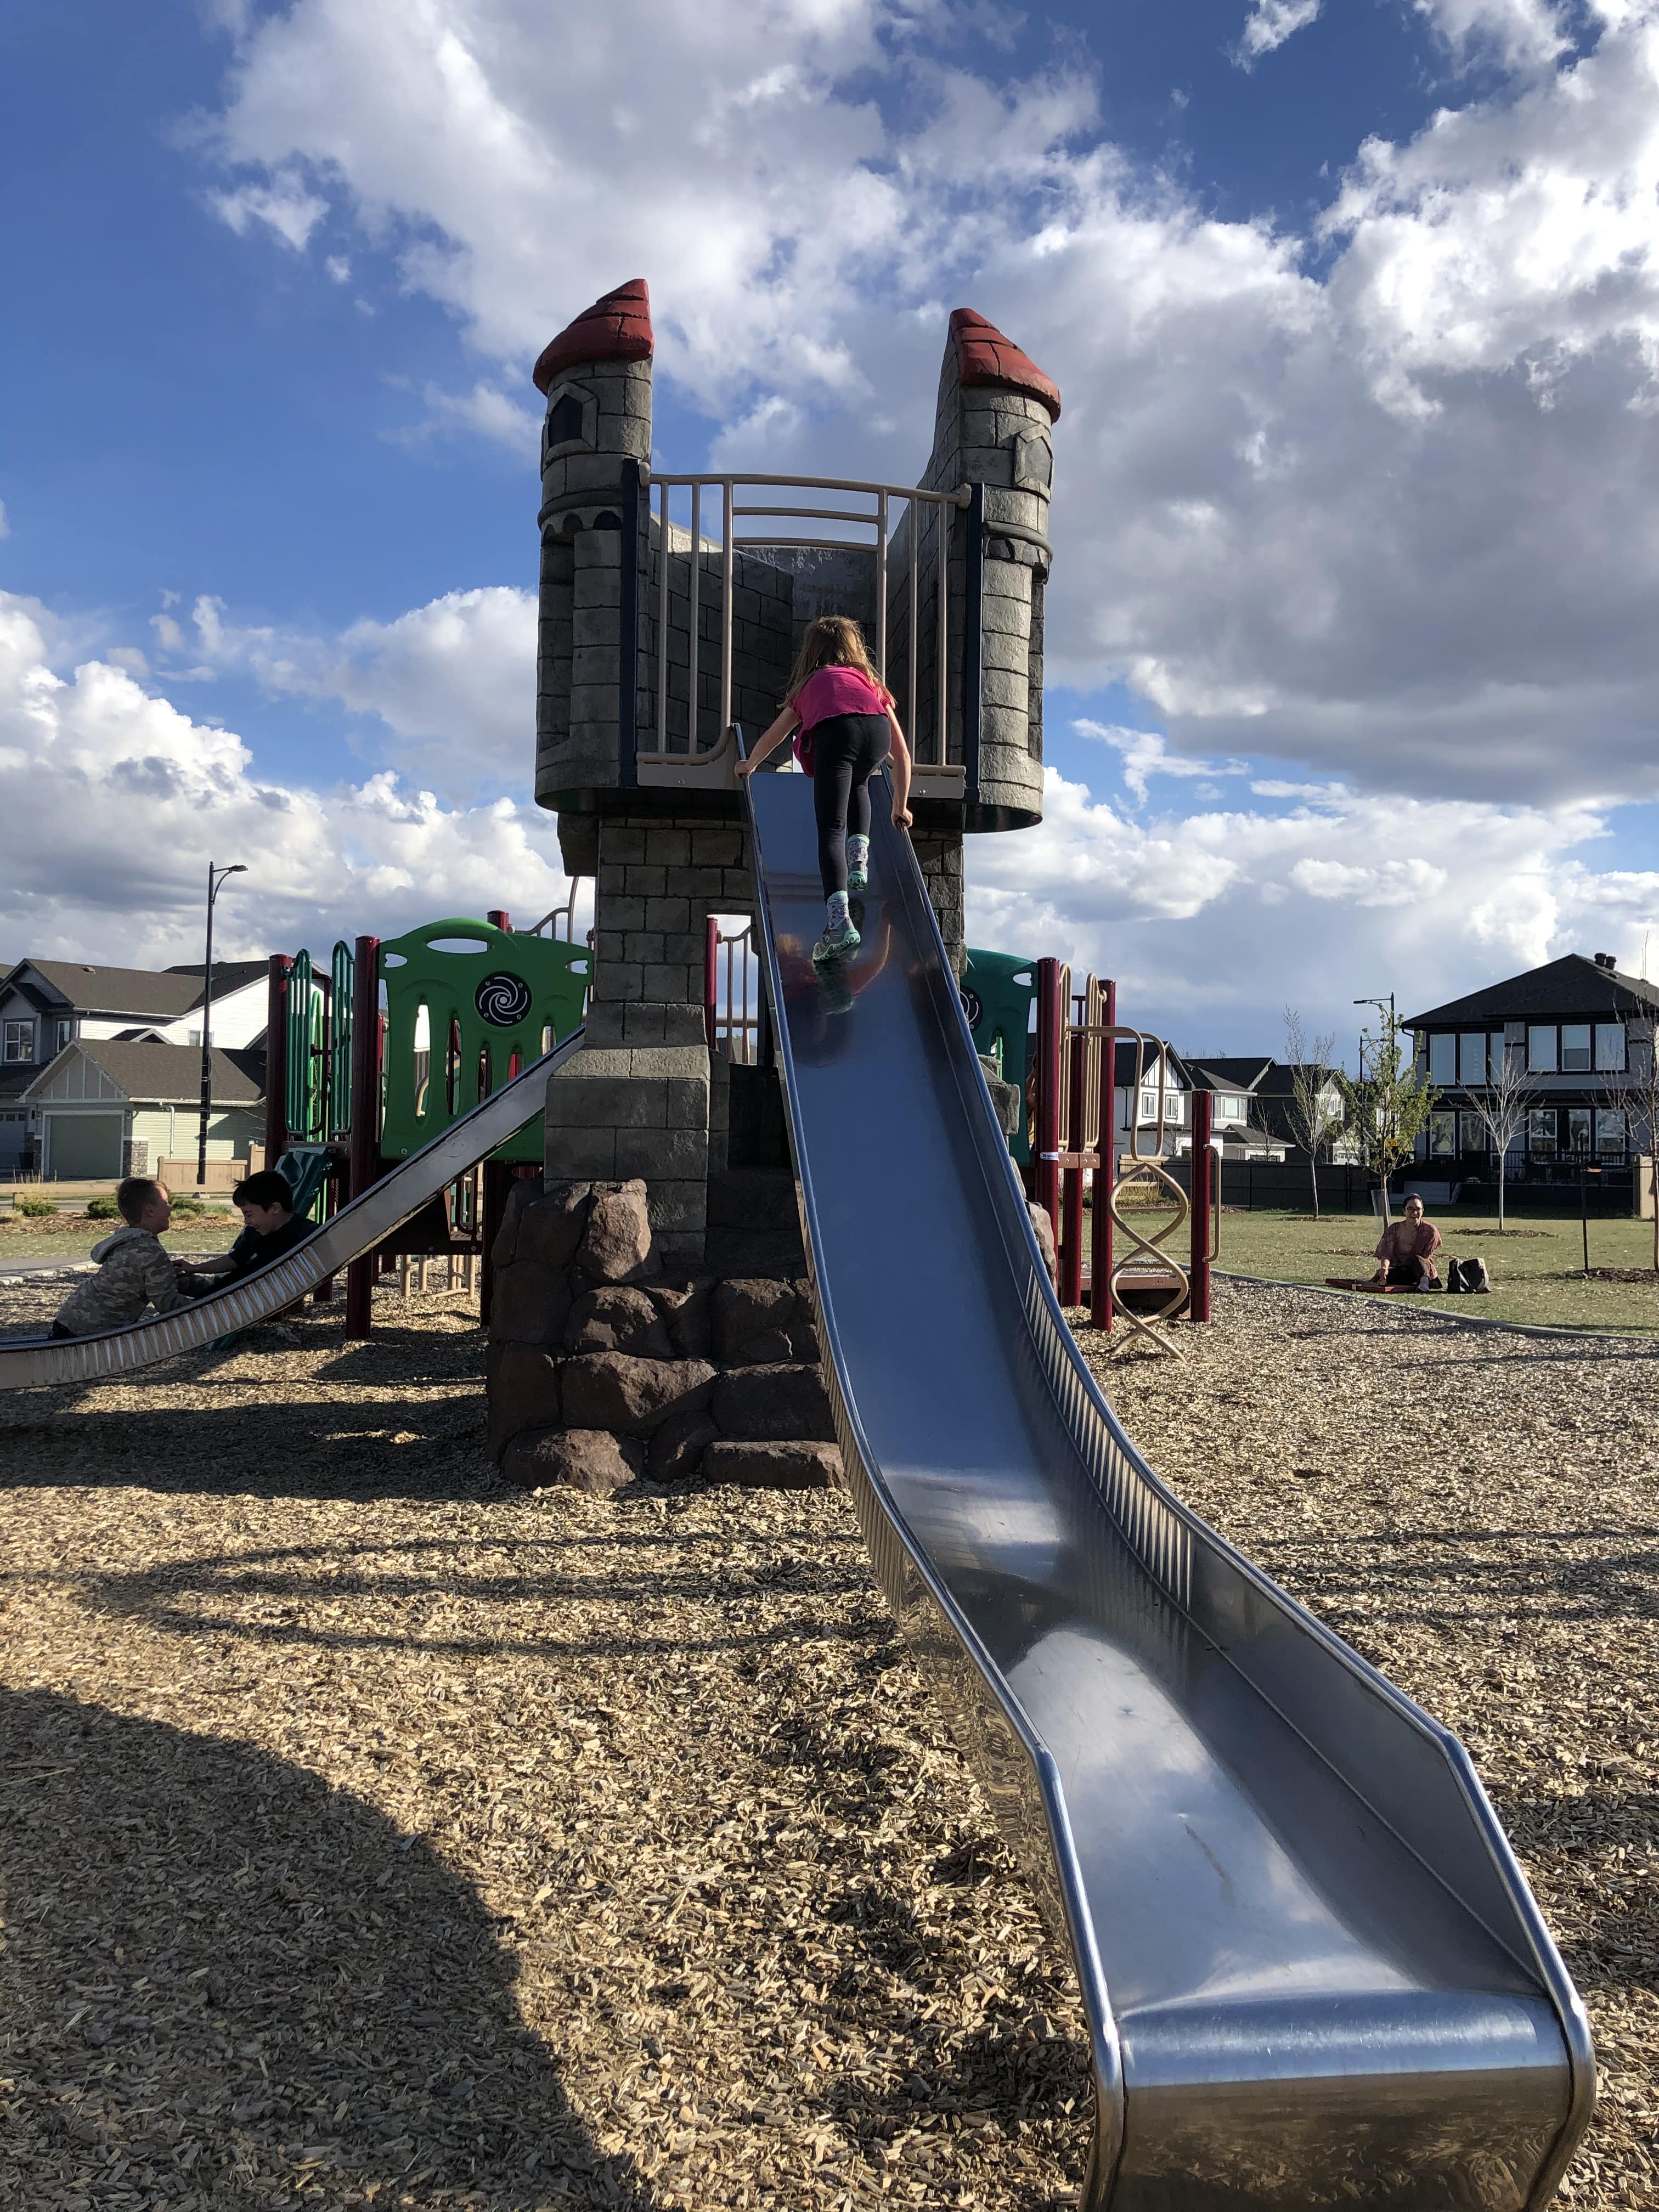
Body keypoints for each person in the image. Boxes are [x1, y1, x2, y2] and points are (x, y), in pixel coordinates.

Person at [736, 613, 914, 964]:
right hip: (876, 733)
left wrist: (750, 764)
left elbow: (775, 734)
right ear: (854, 649)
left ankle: (840, 924)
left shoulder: (810, 686)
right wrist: (901, 805)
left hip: (836, 734)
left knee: (831, 829)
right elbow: (903, 754)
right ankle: (859, 860)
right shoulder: (870, 683)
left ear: (811, 653)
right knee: (861, 781)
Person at [51, 1177, 185, 1339]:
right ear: (150, 1211)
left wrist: (208, 1285)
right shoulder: (149, 1251)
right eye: (166, 1203)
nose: (170, 1210)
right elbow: (167, 1303)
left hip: (70, 1319)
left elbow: (167, 1279)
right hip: (89, 1333)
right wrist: (208, 1306)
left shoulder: (128, 1241)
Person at [184, 1169, 314, 1294]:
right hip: (238, 1291)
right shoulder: (254, 1233)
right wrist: (194, 1268)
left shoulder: (307, 1234)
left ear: (275, 1208)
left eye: (249, 1214)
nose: (246, 1221)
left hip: (265, 1293)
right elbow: (234, 1260)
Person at [1372, 1192, 1442, 1289]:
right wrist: (1385, 1268)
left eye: (1418, 1209)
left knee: (1418, 1260)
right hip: (1401, 1271)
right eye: (1410, 1209)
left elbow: (1425, 1258)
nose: (1414, 1213)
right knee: (1384, 1275)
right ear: (1404, 1211)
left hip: (1421, 1272)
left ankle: (1424, 1284)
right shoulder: (1394, 1229)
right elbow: (1386, 1254)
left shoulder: (1430, 1231)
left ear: (1423, 1211)